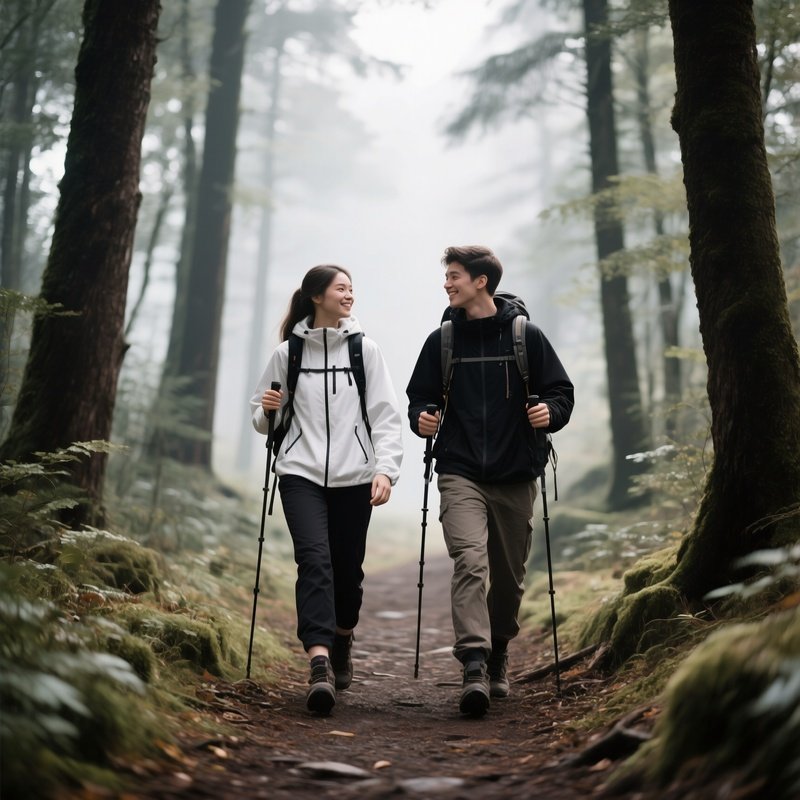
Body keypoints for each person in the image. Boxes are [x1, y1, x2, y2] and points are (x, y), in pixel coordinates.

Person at [406, 245, 574, 717]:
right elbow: (419, 396)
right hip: (459, 471)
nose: (447, 283)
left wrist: (550, 413)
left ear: (482, 281)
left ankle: (500, 649)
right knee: (470, 562)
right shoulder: (442, 340)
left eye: (455, 275)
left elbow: (561, 391)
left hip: (516, 473)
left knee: (508, 578)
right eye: (447, 276)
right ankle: (475, 664)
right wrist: (422, 416)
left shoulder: (526, 335)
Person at [250, 264, 403, 715]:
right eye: (342, 288)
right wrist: (268, 410)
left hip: (356, 476)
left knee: (347, 570)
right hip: (299, 473)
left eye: (352, 289)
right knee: (314, 560)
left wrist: (386, 470)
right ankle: (319, 663)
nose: (350, 295)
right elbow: (264, 421)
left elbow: (386, 415)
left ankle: (341, 640)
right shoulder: (287, 354)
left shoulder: (364, 350)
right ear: (317, 295)